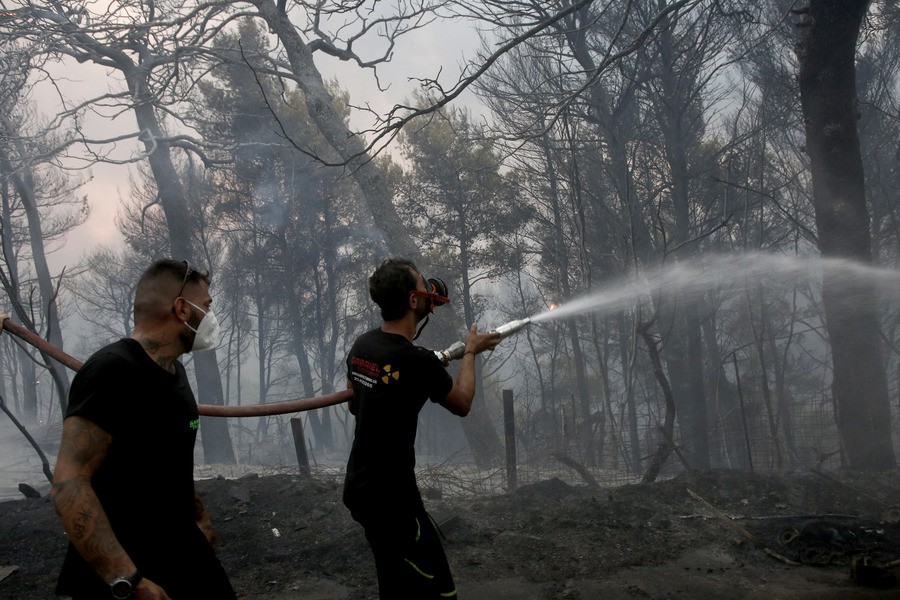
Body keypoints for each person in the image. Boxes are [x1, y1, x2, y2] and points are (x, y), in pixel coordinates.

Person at [51, 259, 236, 600]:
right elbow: (68, 481)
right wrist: (126, 580)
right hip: (128, 573)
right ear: (182, 308)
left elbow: (164, 462)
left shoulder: (173, 373)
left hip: (183, 554)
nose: (211, 317)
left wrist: (197, 515)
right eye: (206, 306)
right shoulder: (112, 371)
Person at [343, 258, 502, 598]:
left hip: (359, 486)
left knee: (394, 578)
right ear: (413, 301)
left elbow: (354, 403)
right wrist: (471, 352)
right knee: (437, 590)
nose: (430, 288)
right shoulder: (415, 360)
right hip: (393, 500)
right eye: (421, 283)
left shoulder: (363, 345)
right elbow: (461, 403)